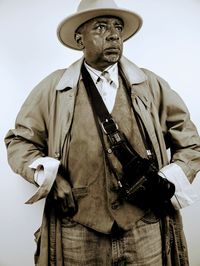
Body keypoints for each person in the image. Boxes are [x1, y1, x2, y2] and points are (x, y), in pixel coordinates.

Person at [5, 0, 200, 265]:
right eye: (100, 27)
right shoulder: (54, 88)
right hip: (78, 231)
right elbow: (19, 142)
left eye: (117, 28)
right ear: (79, 38)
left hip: (145, 228)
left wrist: (166, 181)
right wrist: (49, 178)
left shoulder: (149, 85)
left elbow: (190, 143)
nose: (113, 34)